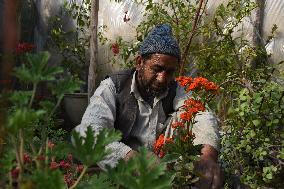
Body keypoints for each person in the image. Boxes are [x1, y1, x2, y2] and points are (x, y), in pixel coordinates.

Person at [75, 24, 222, 188]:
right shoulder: (113, 87)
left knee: (191, 114)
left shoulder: (174, 88)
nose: (162, 78)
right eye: (156, 69)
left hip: (165, 173)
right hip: (123, 173)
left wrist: (207, 156)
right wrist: (133, 159)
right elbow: (90, 130)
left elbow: (203, 114)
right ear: (139, 62)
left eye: (169, 72)